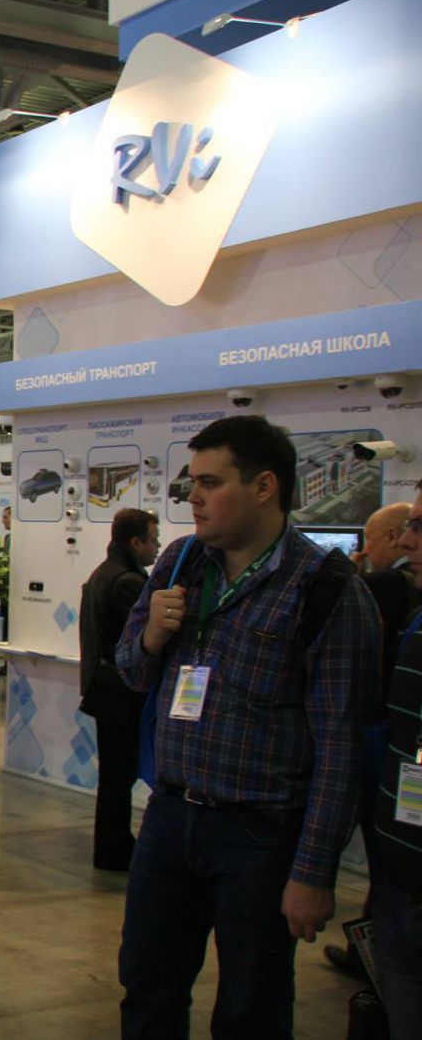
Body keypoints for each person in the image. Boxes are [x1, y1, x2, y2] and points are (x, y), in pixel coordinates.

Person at [113, 415, 381, 1039]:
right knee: (147, 988)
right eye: (192, 483)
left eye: (211, 483)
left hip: (260, 836)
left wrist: (313, 871)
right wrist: (152, 636)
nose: (194, 497)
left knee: (250, 1010)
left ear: (265, 487)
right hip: (170, 816)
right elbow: (128, 671)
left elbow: (340, 747)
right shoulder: (181, 563)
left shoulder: (328, 590)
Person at [78, 508, 159, 872]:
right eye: (153, 540)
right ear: (135, 542)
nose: (157, 548)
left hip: (105, 688)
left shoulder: (103, 573)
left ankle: (113, 847)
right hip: (120, 693)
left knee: (115, 776)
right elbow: (137, 643)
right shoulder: (127, 582)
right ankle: (114, 850)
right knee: (118, 777)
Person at [369, 478, 422, 1026]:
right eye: (408, 527)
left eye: (420, 528)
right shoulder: (416, 624)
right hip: (400, 878)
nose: (408, 542)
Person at [353, 501, 412, 573]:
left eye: (368, 538)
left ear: (392, 537)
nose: (365, 551)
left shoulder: (385, 578)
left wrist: (352, 571)